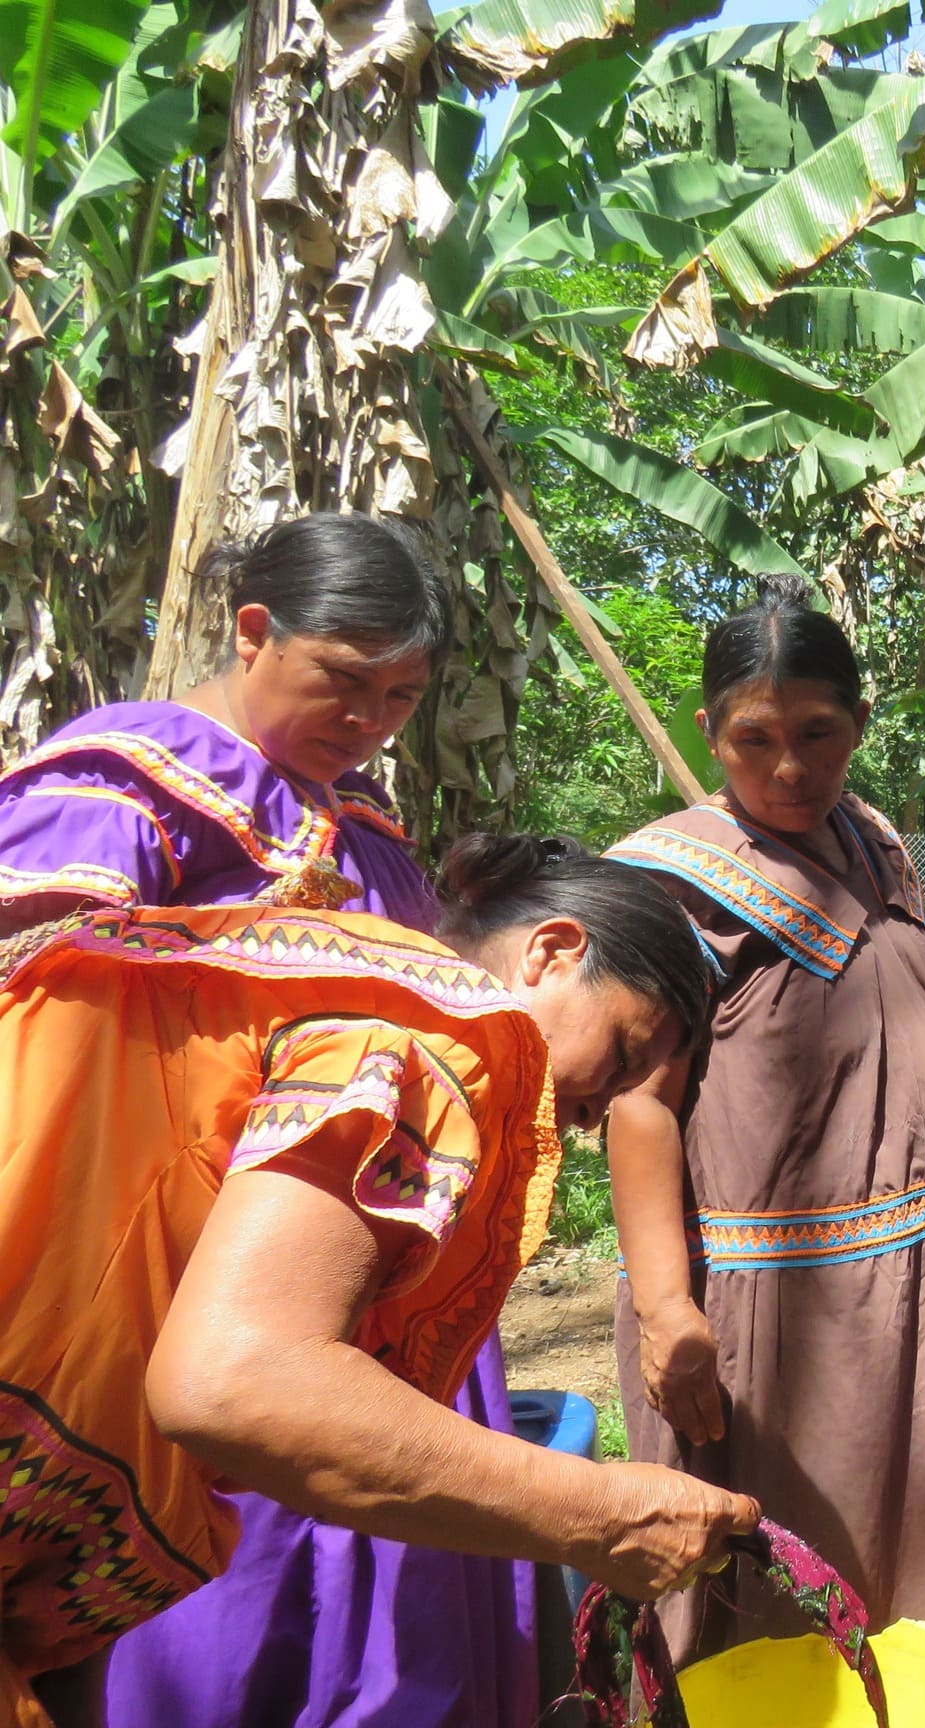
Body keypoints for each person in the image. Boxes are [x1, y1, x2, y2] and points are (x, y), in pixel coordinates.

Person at [0, 836, 759, 1728]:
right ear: (551, 953)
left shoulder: (311, 992)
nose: (599, 1111)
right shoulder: (423, 1044)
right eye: (624, 1050)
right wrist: (600, 1514)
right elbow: (237, 1382)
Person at [0, 514, 554, 1727]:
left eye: (402, 696)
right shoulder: (120, 787)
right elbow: (48, 1025)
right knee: (223, 1634)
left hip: (369, 1272)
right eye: (345, 683)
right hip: (191, 1295)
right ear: (254, 632)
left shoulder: (363, 826)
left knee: (401, 1632)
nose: (372, 723)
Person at [604, 578, 925, 1666]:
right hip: (766, 1305)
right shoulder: (677, 883)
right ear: (708, 735)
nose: (788, 768)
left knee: (896, 1540)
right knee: (766, 1570)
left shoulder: (870, 843)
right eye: (753, 739)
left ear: (859, 724)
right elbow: (638, 1104)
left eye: (818, 733)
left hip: (910, 1276)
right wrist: (670, 1308)